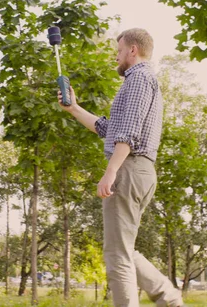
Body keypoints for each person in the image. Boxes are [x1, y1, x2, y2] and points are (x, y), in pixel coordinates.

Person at [57, 28, 184, 307]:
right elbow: (107, 128)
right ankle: (169, 297)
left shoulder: (138, 78)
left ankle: (168, 297)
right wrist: (74, 109)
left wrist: (111, 171)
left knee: (117, 256)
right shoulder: (141, 81)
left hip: (128, 168)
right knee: (123, 249)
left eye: (118, 51)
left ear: (132, 50)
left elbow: (127, 133)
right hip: (139, 170)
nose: (116, 57)